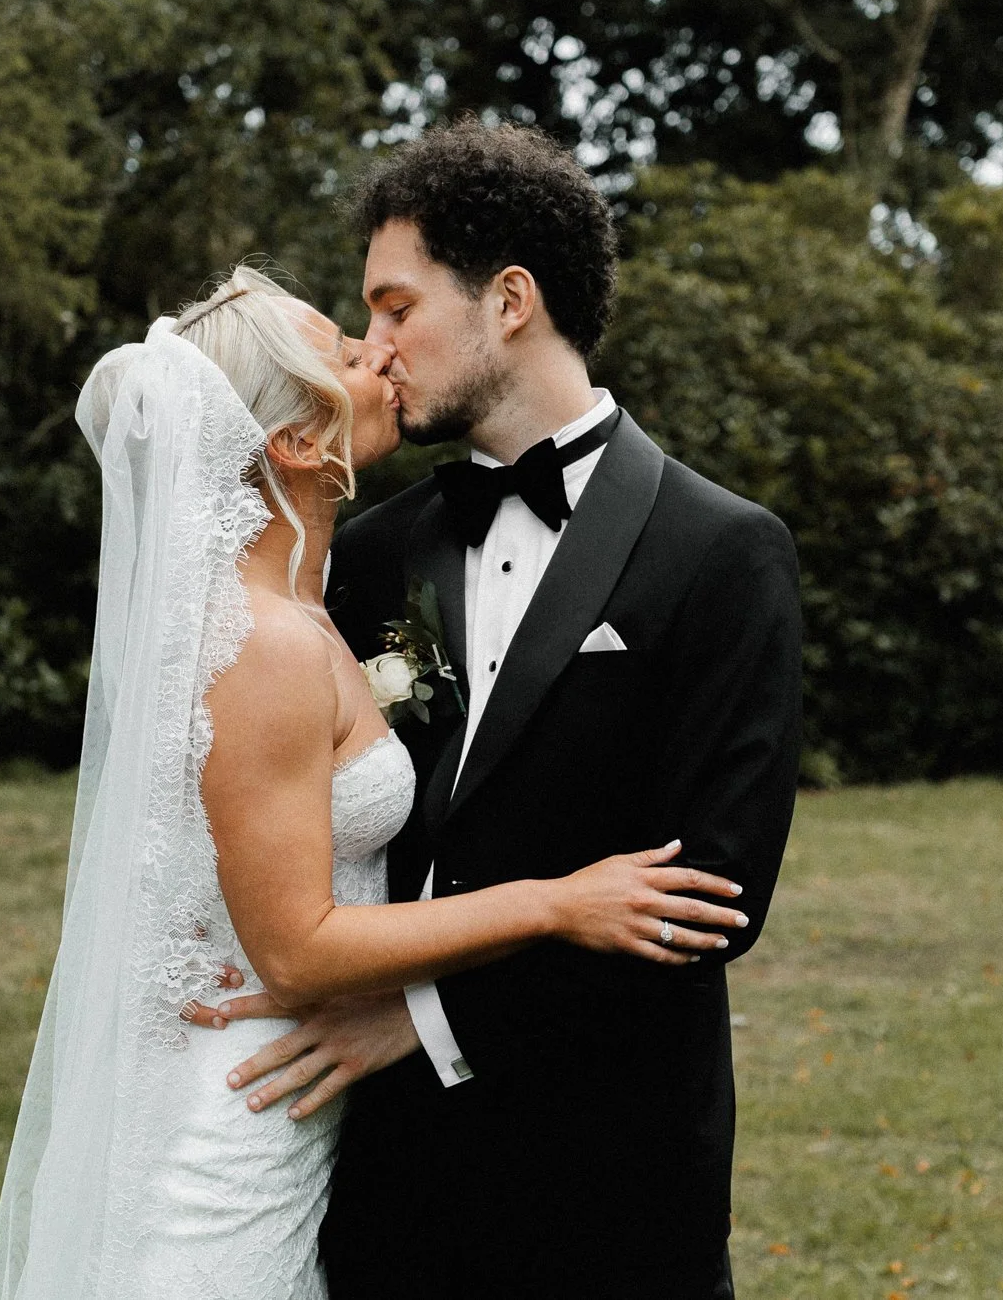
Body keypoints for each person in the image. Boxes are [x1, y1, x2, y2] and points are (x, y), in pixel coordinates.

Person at [0, 265, 747, 1300]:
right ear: (298, 443)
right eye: (351, 350)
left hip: (304, 1114)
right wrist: (556, 902)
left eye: (386, 319)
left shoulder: (314, 605)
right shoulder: (266, 643)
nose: (381, 352)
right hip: (236, 1128)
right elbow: (296, 950)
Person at [213, 125, 806, 1299]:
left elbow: (711, 899)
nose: (375, 348)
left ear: (511, 300)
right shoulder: (370, 557)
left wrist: (428, 1019)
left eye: (396, 307)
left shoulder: (723, 553)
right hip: (389, 1180)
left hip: (613, 1181)